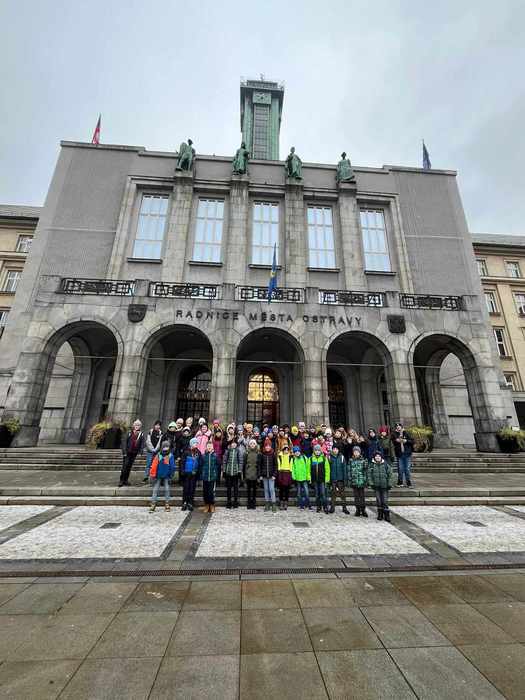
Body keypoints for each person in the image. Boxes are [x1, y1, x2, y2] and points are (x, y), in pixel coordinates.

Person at [149, 440, 176, 512]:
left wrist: (171, 474)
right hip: (159, 475)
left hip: (165, 475)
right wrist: (153, 474)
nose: (166, 448)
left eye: (167, 446)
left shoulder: (169, 455)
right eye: (165, 446)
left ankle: (166, 504)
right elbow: (154, 465)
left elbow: (172, 466)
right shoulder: (159, 455)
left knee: (165, 489)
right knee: (157, 489)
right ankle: (154, 504)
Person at [368, 450, 394, 522]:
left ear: (381, 457)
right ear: (374, 457)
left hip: (385, 486)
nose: (377, 457)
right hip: (376, 486)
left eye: (379, 456)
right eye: (376, 456)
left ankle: (386, 514)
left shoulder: (386, 465)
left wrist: (389, 484)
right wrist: (371, 483)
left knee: (385, 501)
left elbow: (390, 475)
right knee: (379, 500)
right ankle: (380, 514)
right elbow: (369, 475)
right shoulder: (372, 465)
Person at [119, 419, 144, 487]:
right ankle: (121, 480)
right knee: (125, 466)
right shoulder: (129, 432)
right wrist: (124, 451)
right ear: (133, 425)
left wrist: (141, 451)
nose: (137, 426)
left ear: (140, 426)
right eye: (136, 425)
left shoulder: (141, 434)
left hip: (134, 453)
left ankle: (126, 480)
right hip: (127, 452)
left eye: (138, 425)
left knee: (129, 467)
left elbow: (142, 443)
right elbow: (124, 442)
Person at [181, 437, 202, 511]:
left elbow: (200, 463)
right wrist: (182, 471)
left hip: (194, 473)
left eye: (196, 443)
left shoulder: (198, 452)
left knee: (192, 489)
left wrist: (198, 472)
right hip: (187, 473)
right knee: (186, 488)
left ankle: (190, 502)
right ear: (191, 444)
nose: (196, 444)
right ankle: (184, 502)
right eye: (194, 443)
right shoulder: (186, 452)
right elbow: (182, 462)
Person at [309, 444, 330, 513]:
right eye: (316, 450)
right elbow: (308, 469)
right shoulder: (311, 459)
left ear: (320, 451)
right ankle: (318, 506)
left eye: (318, 450)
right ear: (314, 451)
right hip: (315, 479)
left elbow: (327, 469)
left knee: (323, 494)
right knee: (317, 494)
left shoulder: (324, 458)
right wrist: (309, 478)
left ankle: (325, 507)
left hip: (322, 479)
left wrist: (327, 479)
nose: (317, 452)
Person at [328, 444, 349, 514]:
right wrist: (329, 479)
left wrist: (345, 479)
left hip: (340, 479)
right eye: (334, 449)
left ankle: (344, 508)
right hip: (333, 479)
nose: (335, 450)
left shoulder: (342, 457)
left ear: (338, 450)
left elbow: (344, 469)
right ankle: (332, 507)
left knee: (342, 494)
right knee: (333, 494)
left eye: (336, 449)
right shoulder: (329, 457)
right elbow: (328, 469)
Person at [392, 422, 414, 487]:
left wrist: (406, 441)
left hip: (407, 453)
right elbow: (392, 441)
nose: (398, 427)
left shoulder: (406, 433)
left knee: (407, 469)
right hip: (399, 454)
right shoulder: (394, 434)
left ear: (401, 427)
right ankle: (400, 482)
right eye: (397, 426)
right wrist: (396, 441)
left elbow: (412, 441)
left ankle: (408, 482)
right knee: (400, 469)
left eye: (399, 426)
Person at [257, 440, 277, 512]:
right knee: (266, 490)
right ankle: (267, 504)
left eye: (269, 446)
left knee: (271, 489)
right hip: (264, 475)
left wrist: (274, 474)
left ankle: (273, 504)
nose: (267, 447)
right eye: (266, 446)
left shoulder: (273, 454)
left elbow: (275, 465)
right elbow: (259, 465)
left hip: (271, 475)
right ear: (264, 447)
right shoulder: (262, 454)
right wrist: (260, 475)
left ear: (270, 446)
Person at [348, 445, 368, 517]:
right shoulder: (351, 460)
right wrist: (350, 480)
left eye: (357, 452)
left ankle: (363, 510)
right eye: (355, 452)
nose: (356, 453)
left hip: (361, 481)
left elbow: (365, 471)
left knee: (362, 497)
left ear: (359, 452)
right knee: (356, 497)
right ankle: (358, 509)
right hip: (354, 481)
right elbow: (349, 471)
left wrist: (365, 480)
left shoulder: (363, 460)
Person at [223, 439, 243, 509]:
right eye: (232, 443)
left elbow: (240, 461)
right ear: (230, 444)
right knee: (228, 488)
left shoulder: (238, 451)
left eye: (235, 443)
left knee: (235, 488)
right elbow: (224, 461)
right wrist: (224, 470)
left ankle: (235, 501)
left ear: (236, 444)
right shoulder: (227, 451)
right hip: (228, 472)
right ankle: (229, 501)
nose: (233, 444)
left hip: (235, 472)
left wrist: (240, 471)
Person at [201, 441, 218, 513]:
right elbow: (201, 465)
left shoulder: (215, 455)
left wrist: (215, 474)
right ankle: (206, 505)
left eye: (210, 446)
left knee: (211, 492)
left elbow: (217, 465)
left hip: (212, 477)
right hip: (205, 476)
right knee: (205, 492)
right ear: (206, 447)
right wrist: (202, 473)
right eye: (208, 446)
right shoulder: (203, 456)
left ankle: (212, 505)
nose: (209, 447)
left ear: (212, 447)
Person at [292, 445, 311, 510]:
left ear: (300, 451)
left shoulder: (304, 458)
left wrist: (308, 476)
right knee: (299, 493)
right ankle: (301, 504)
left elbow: (308, 467)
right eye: (295, 452)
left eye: (298, 451)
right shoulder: (293, 459)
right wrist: (294, 476)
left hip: (304, 477)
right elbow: (293, 468)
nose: (297, 453)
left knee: (306, 492)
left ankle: (307, 504)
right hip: (298, 478)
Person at [277, 444, 293, 510]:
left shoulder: (290, 457)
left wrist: (290, 474)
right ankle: (281, 502)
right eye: (285, 450)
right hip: (281, 472)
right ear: (283, 450)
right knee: (281, 489)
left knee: (287, 489)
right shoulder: (279, 456)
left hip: (288, 473)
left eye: (287, 450)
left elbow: (291, 466)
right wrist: (279, 473)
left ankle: (286, 502)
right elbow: (279, 465)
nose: (286, 451)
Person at [244, 438, 259, 509]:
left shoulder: (258, 453)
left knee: (254, 489)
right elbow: (244, 463)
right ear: (249, 445)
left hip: (255, 473)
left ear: (255, 445)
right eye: (251, 444)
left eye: (253, 444)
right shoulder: (246, 453)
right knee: (249, 489)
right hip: (248, 473)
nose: (252, 445)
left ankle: (253, 502)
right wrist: (245, 473)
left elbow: (259, 464)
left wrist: (259, 474)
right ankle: (249, 502)